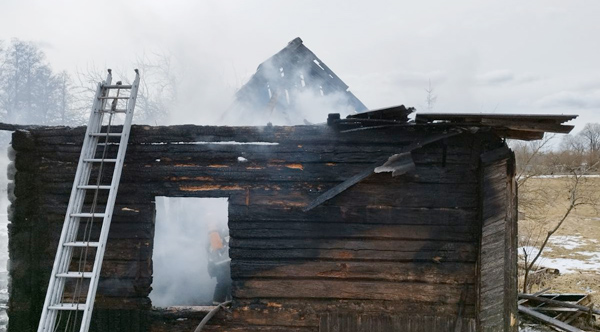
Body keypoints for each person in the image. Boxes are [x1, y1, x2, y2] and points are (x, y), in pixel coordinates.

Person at [206, 226, 232, 304]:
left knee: (222, 285)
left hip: (219, 267)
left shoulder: (210, 240)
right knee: (226, 284)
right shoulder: (218, 237)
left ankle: (218, 306)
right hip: (225, 265)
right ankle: (223, 306)